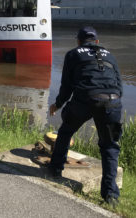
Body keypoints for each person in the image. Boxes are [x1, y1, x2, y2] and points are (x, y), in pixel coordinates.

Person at [48, 26, 123, 207]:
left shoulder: (73, 54)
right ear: (96, 41)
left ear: (79, 41)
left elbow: (66, 86)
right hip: (112, 101)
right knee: (110, 146)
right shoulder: (110, 55)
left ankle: (56, 168)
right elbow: (119, 85)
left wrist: (57, 104)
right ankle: (110, 195)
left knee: (66, 130)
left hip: (85, 99)